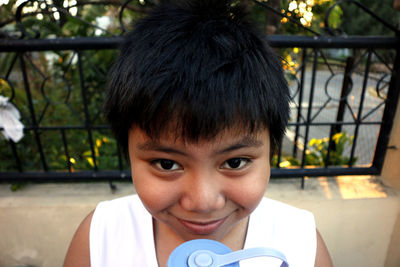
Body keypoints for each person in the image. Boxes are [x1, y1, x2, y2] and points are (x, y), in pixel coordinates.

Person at [63, 0, 333, 266]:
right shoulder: (100, 239)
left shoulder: (301, 246)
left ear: (271, 152)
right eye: (166, 164)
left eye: (235, 162)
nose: (202, 202)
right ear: (129, 152)